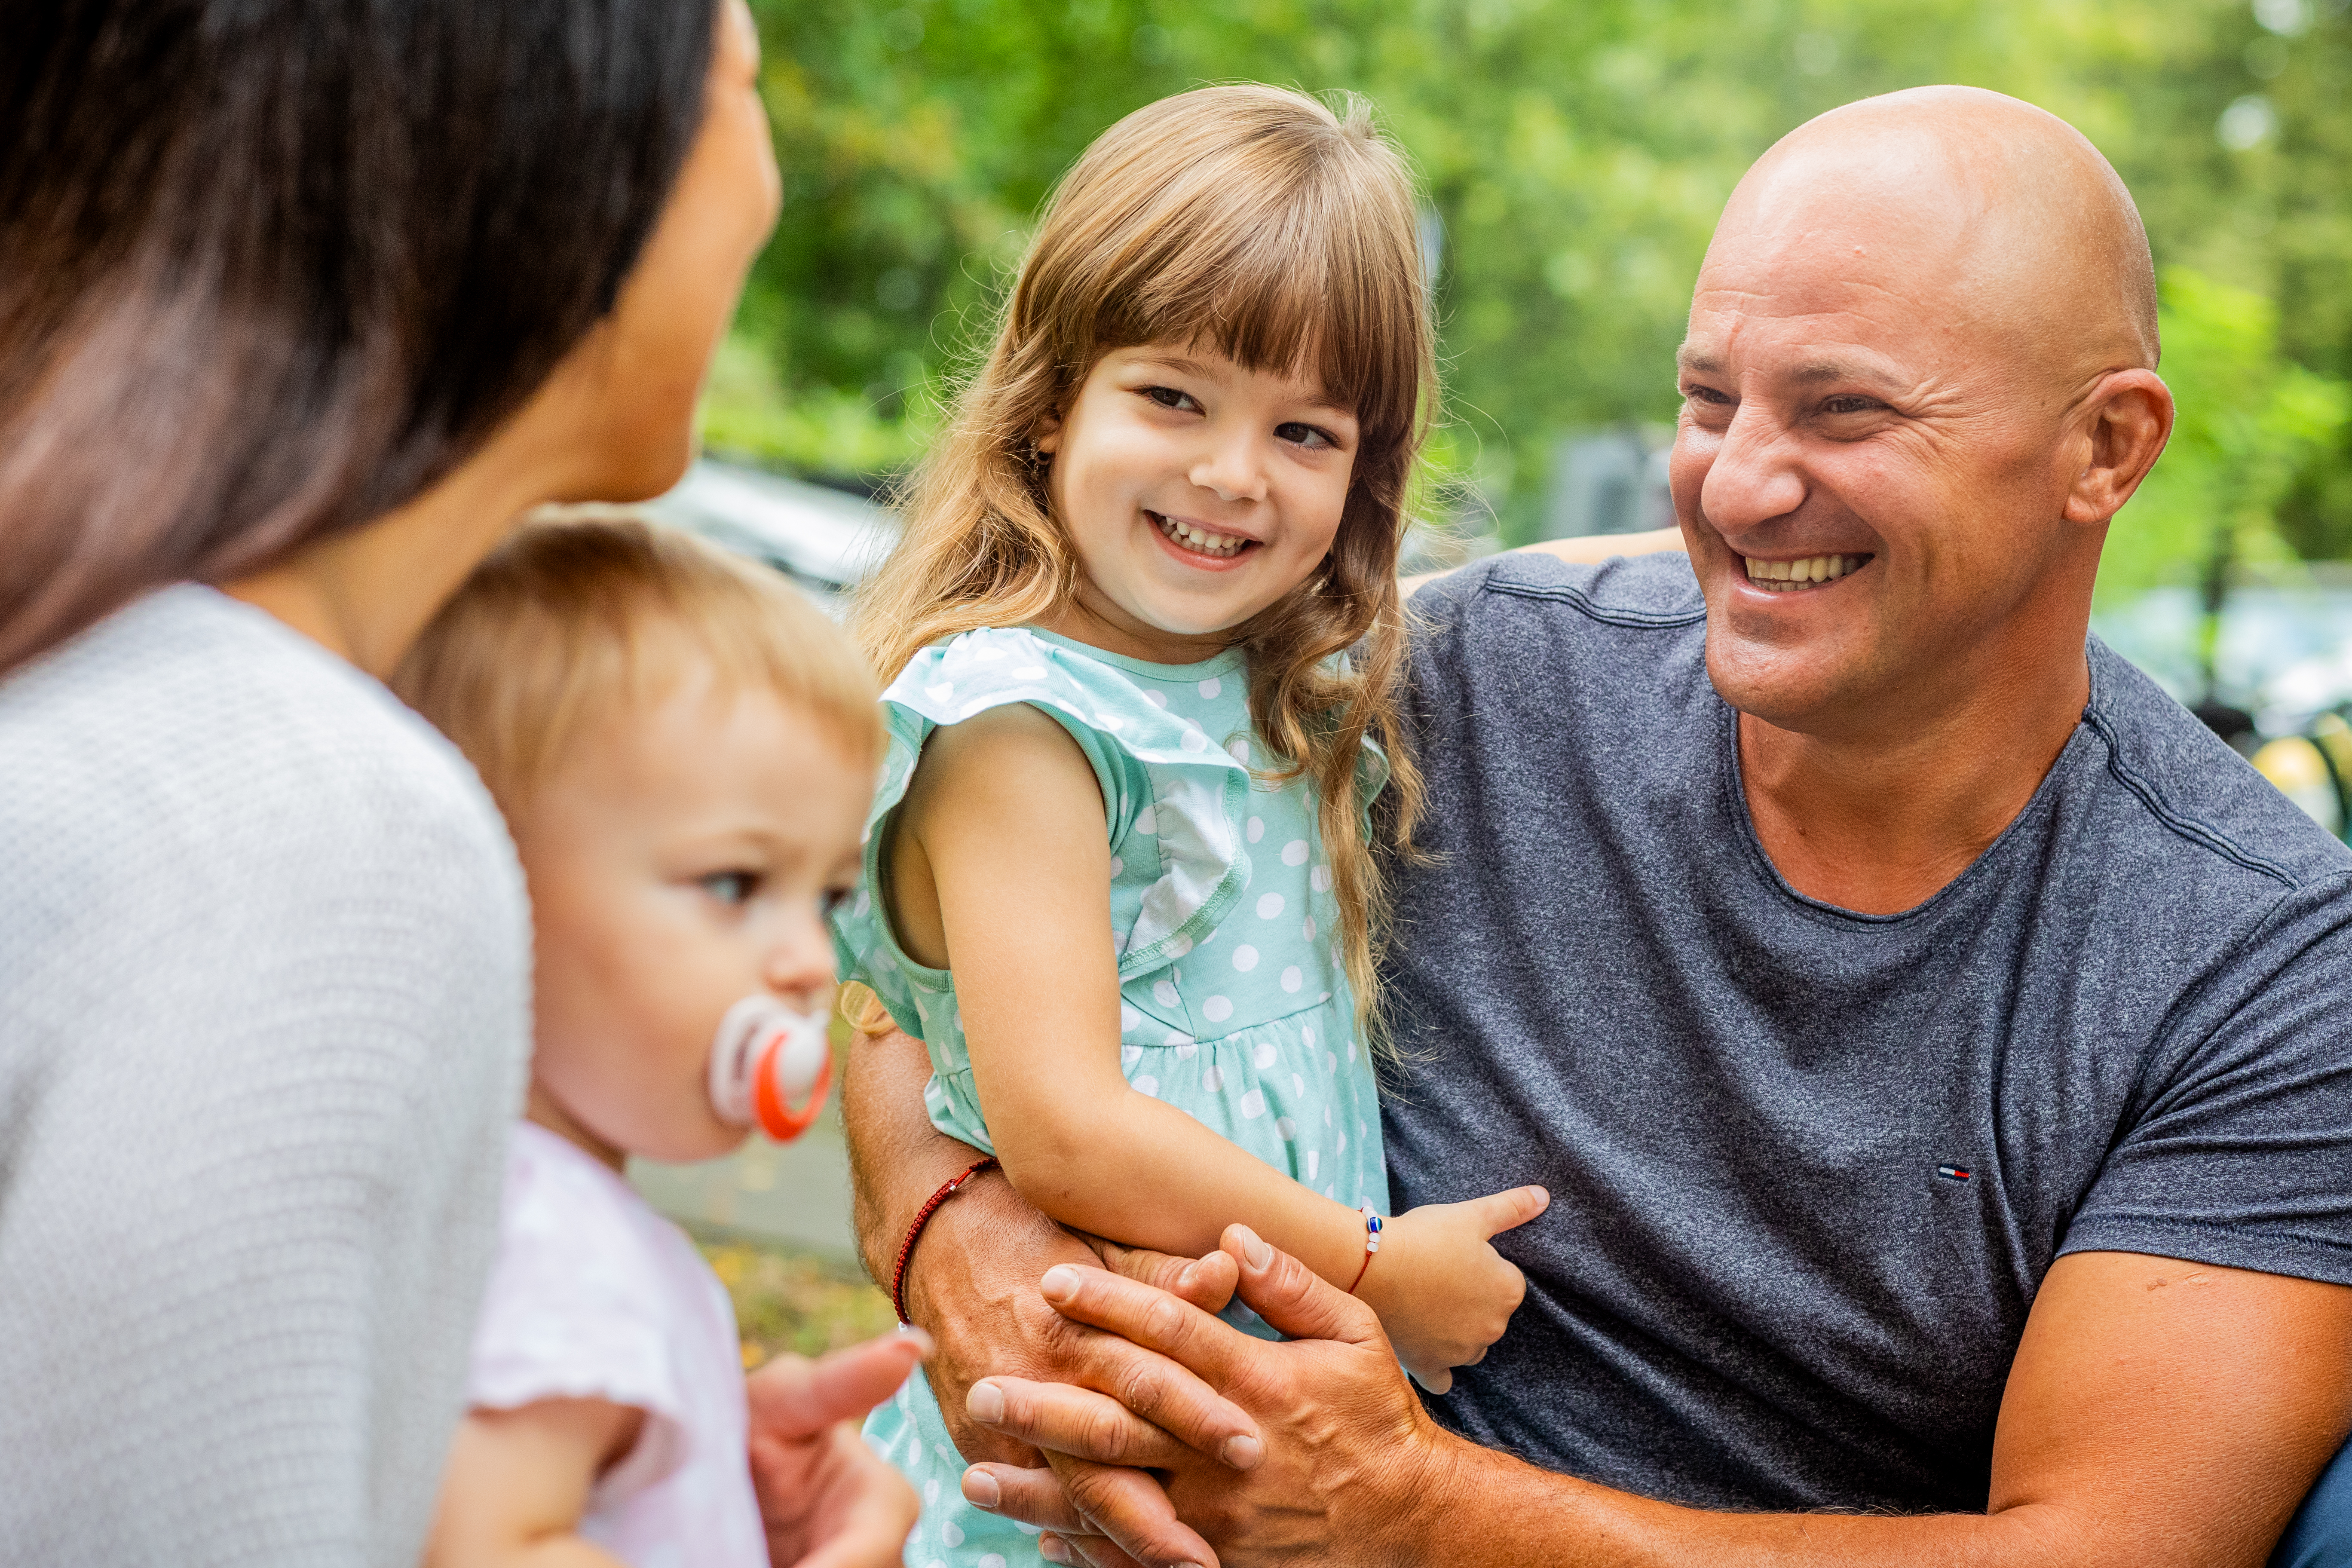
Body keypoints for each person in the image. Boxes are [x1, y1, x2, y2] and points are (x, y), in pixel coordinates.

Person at [843, 86, 2352, 1567]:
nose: (1736, 487)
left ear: (2106, 448)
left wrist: (1410, 1511)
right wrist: (955, 1227)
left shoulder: (2258, 963)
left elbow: (2114, 1548)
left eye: (1847, 409)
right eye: (1708, 402)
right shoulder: (1482, 676)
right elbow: (905, 953)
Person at [0, 3, 914, 1564]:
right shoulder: (328, 837)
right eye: (742, 84)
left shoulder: (139, 702)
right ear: (549, 146)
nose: (767, 186)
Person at [828, 85, 1547, 1568]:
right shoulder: (1021, 724)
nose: (1232, 472)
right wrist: (1370, 1268)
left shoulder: (1264, 687)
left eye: (1302, 428)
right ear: (1049, 405)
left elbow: (1545, 575)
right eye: (1174, 396)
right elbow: (1065, 1123)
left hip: (1243, 1433)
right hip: (1076, 1459)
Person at [397, 517, 922, 1566]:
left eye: (823, 895)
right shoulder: (559, 1247)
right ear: (486, 874)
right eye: (733, 884)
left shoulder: (470, 1194)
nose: (810, 961)